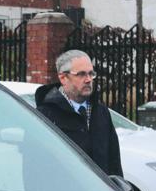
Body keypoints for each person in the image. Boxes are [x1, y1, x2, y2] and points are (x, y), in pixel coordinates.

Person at [35, 50, 124, 179]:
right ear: (63, 78)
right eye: (81, 74)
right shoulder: (46, 114)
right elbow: (36, 164)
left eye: (91, 74)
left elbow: (114, 161)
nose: (88, 80)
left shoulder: (101, 111)